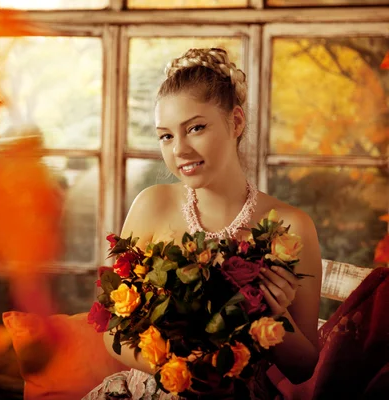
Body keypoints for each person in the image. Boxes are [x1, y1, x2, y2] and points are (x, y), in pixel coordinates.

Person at [84, 48, 323, 399]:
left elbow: (304, 368)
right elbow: (110, 332)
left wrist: (276, 315)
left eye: (195, 128)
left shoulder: (291, 227)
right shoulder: (152, 205)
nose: (179, 149)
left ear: (236, 122)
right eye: (166, 135)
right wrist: (178, 371)